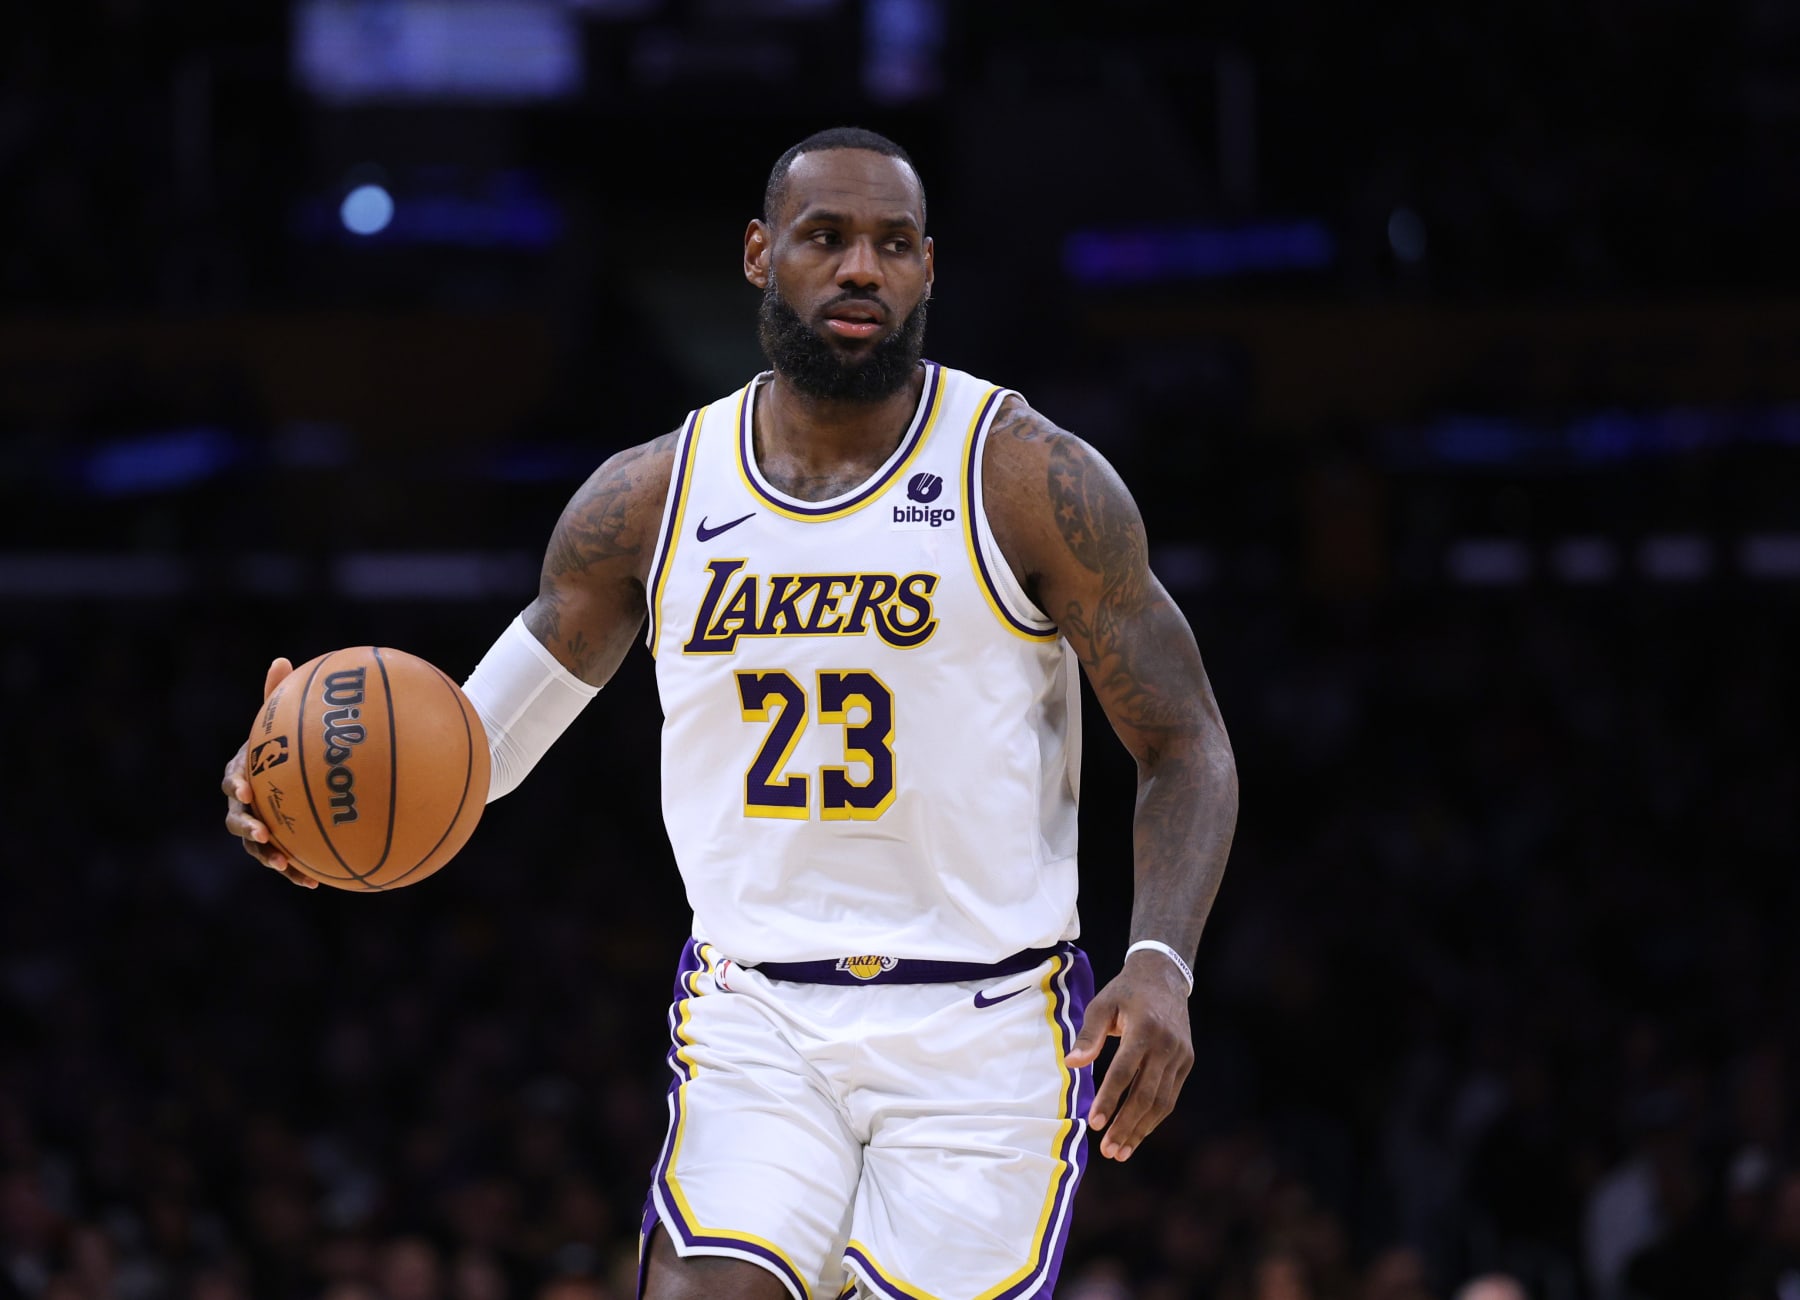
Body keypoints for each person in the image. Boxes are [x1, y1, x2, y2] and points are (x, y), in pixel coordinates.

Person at [222, 127, 1238, 1300]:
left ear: (927, 271)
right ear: (760, 254)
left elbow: (1185, 739)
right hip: (759, 1012)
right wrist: (284, 783)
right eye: (825, 237)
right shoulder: (649, 497)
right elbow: (472, 745)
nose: (861, 267)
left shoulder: (1024, 477)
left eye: (893, 243)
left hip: (986, 1018)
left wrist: (1161, 961)